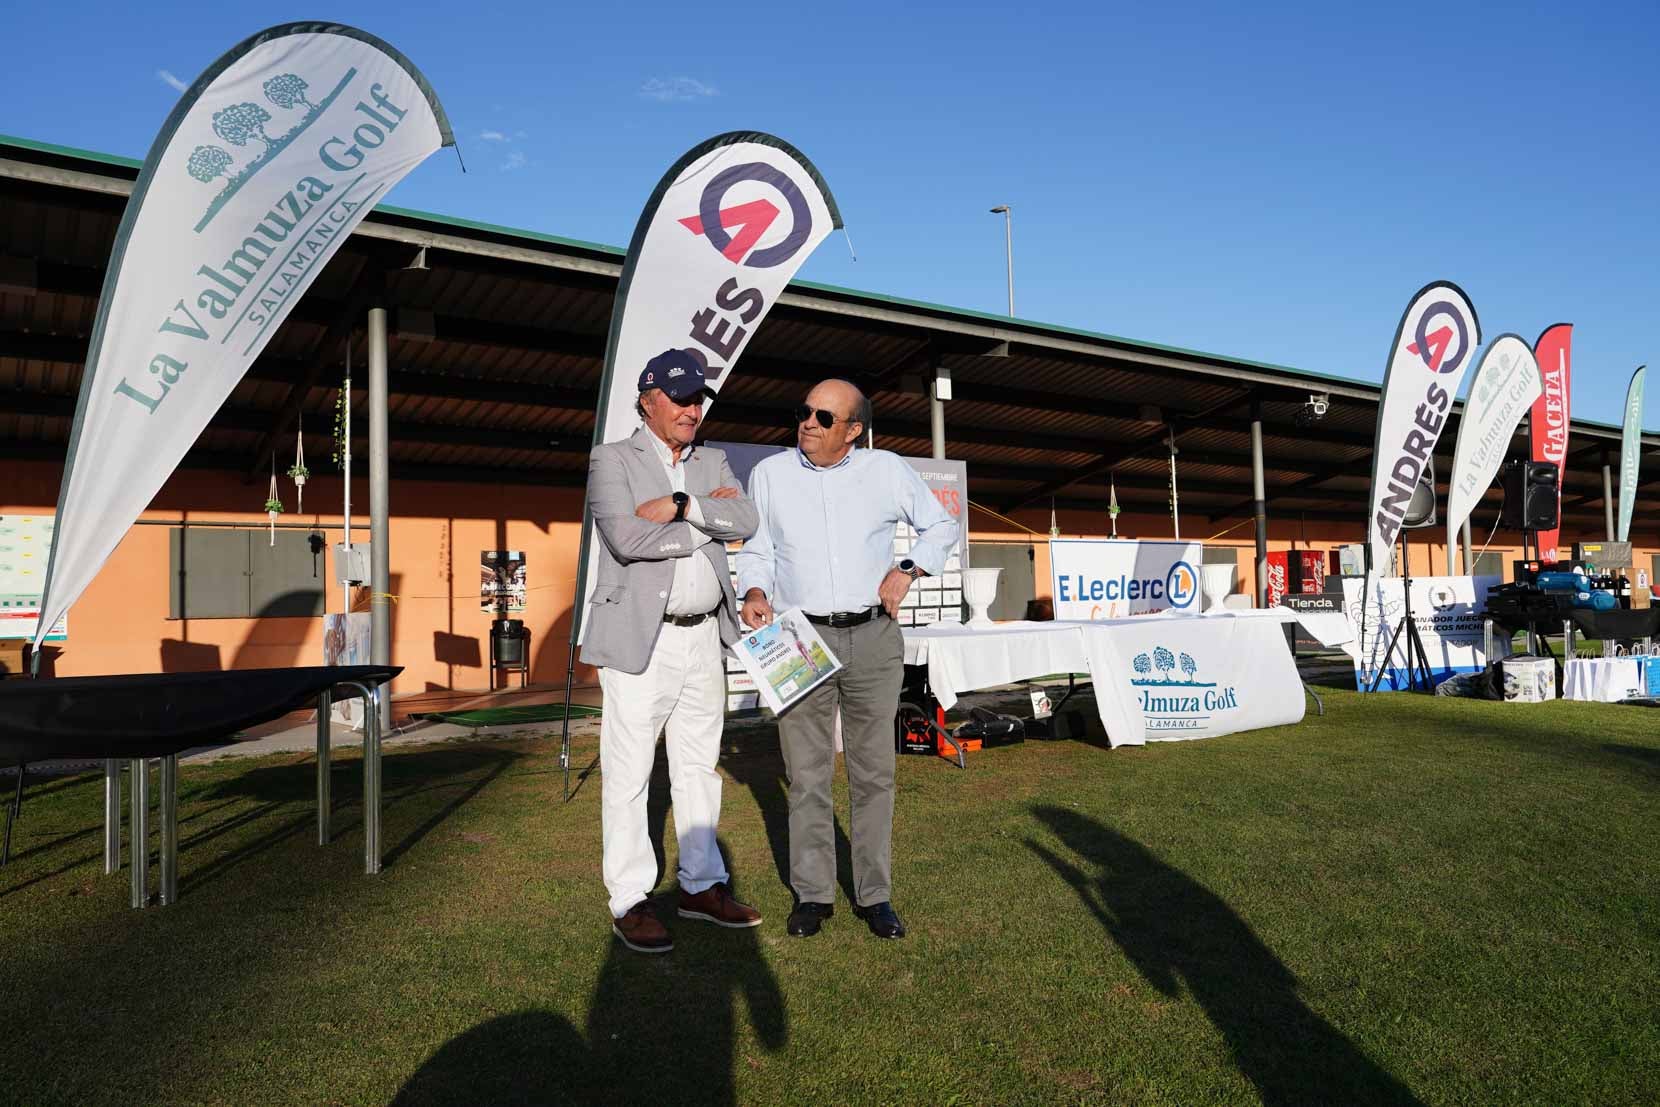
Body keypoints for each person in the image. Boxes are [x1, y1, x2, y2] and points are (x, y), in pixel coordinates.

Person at [735, 379, 958, 940]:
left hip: (874, 637)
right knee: (806, 775)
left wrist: (908, 569)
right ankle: (813, 895)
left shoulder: (887, 470)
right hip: (799, 637)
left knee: (874, 773)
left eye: (824, 417)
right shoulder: (769, 474)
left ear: (854, 430)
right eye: (804, 411)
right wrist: (754, 590)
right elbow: (759, 550)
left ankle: (874, 895)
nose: (808, 423)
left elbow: (942, 525)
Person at [581, 348, 762, 954]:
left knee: (698, 768)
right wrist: (708, 522)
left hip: (705, 635)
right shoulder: (611, 458)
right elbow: (627, 538)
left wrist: (683, 506)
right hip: (642, 638)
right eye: (680, 398)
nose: (691, 410)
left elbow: (747, 520)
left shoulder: (713, 459)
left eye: (697, 400)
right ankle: (630, 898)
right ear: (648, 400)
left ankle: (701, 886)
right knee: (629, 772)